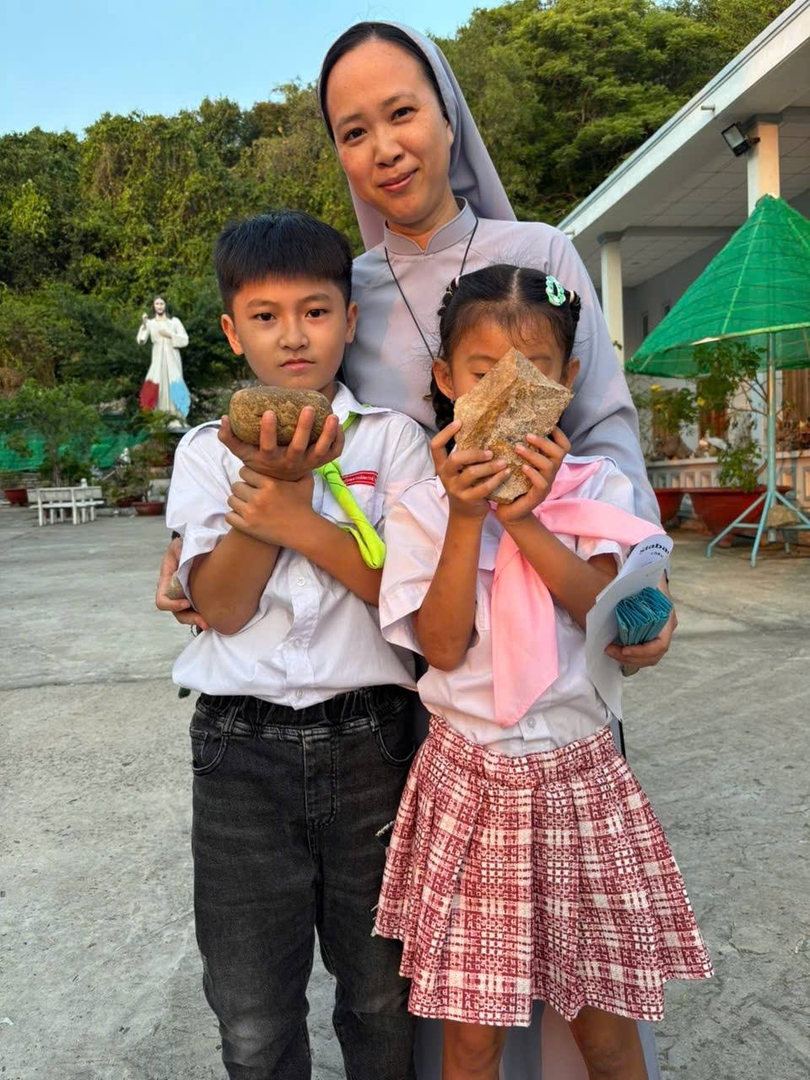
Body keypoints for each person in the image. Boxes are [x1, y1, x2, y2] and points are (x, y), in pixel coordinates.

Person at [156, 21, 674, 1075]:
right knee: (436, 984)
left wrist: (643, 590)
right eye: (355, 130)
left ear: (448, 117)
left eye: (403, 113)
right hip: (424, 681)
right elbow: (284, 446)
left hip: (551, 643)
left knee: (577, 977)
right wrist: (189, 553)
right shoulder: (339, 289)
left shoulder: (539, 256)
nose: (385, 146)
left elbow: (607, 432)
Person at [373, 264, 713, 1080]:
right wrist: (468, 518)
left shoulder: (600, 489)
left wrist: (525, 521)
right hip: (469, 785)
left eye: (530, 375)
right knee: (470, 1042)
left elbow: (606, 613)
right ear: (446, 381)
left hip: (580, 781)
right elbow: (441, 646)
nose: (504, 394)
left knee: (607, 1034)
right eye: (483, 374)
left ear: (566, 381)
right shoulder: (421, 506)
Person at [165, 210, 434, 1079]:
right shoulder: (206, 454)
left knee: (383, 997)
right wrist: (268, 493)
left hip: (375, 743)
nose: (293, 336)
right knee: (252, 1012)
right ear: (230, 331)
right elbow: (221, 606)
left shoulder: (391, 440)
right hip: (239, 752)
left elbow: (416, 601)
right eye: (266, 316)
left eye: (315, 312)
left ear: (349, 320)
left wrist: (299, 520)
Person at [137, 296, 191, 420]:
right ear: (153, 306)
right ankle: (160, 416)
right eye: (157, 303)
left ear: (165, 305)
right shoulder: (150, 323)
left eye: (162, 303)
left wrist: (170, 335)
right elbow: (141, 340)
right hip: (157, 358)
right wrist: (144, 325)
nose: (159, 306)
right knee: (158, 384)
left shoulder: (174, 322)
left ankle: (176, 416)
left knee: (174, 382)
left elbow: (185, 339)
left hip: (172, 357)